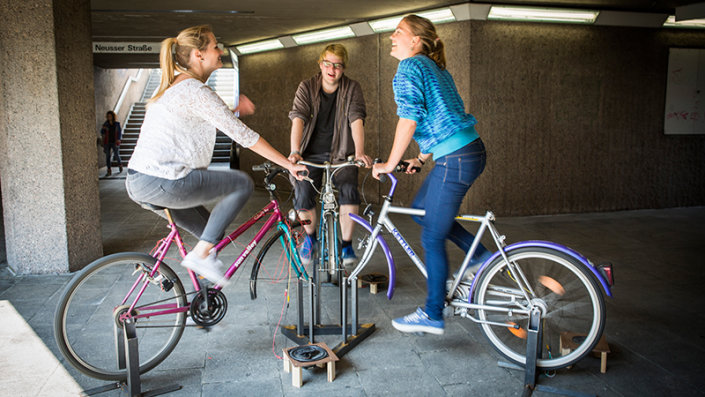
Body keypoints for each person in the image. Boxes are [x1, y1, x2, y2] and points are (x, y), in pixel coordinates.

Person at [125, 25, 306, 285]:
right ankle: (198, 258)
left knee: (211, 234)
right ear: (199, 55)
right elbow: (245, 137)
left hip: (143, 181)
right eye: (215, 46)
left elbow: (198, 117)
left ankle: (198, 299)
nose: (220, 50)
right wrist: (287, 165)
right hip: (162, 180)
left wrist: (233, 110)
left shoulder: (181, 86)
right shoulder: (196, 91)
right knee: (241, 184)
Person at [372, 15, 493, 335]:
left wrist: (388, 163)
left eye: (399, 31)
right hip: (466, 151)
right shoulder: (433, 67)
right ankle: (482, 257)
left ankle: (433, 312)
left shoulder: (409, 67)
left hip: (455, 159)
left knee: (431, 236)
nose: (392, 36)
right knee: (425, 214)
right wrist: (421, 157)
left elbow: (409, 119)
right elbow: (444, 114)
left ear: (416, 41)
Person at [288, 43, 372, 266]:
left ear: (343, 68)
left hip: (342, 152)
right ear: (320, 64)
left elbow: (356, 120)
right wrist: (295, 152)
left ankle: (346, 245)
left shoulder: (352, 88)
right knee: (303, 192)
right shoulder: (306, 87)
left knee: (348, 188)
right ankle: (311, 239)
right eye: (328, 64)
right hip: (309, 153)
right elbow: (298, 118)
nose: (332, 69)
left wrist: (359, 152)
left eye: (337, 65)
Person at [100, 110, 122, 176]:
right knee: (107, 157)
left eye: (110, 116)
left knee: (116, 154)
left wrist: (118, 139)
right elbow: (102, 132)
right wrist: (103, 129)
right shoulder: (105, 124)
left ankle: (120, 165)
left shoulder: (117, 124)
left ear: (113, 116)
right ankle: (109, 170)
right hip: (107, 142)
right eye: (108, 116)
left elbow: (119, 132)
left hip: (114, 142)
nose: (109, 117)